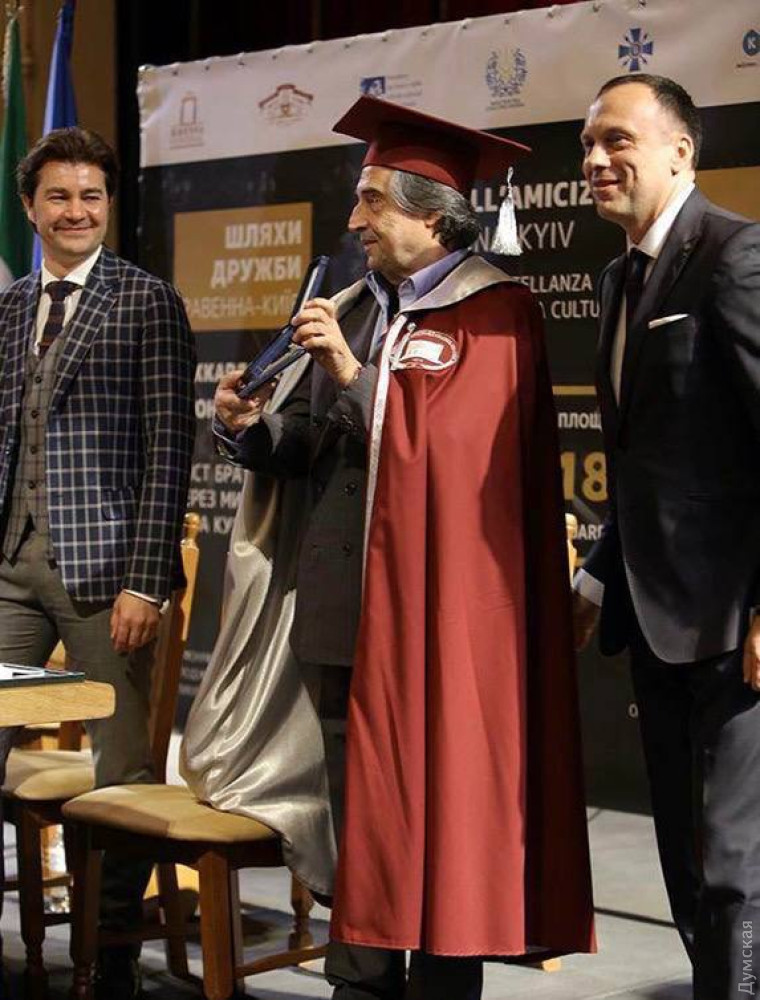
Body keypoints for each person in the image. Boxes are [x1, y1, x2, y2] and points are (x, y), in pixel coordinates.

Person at [212, 95, 594, 1000]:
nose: (355, 220)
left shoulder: (495, 314)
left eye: (372, 201)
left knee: (448, 818)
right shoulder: (352, 307)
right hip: (345, 611)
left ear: (432, 215)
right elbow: (316, 448)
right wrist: (250, 429)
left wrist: (355, 374)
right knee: (361, 831)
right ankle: (359, 984)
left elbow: (463, 463)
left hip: (445, 622)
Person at [574, 74, 760, 1000]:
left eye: (618, 140)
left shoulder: (735, 254)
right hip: (655, 623)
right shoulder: (618, 278)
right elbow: (644, 462)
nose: (596, 160)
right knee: (686, 864)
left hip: (734, 623)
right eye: (587, 145)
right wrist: (596, 580)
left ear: (681, 150)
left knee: (735, 870)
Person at [0, 127, 196, 998]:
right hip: (12, 572)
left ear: (109, 204)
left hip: (105, 581)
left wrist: (146, 580)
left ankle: (110, 952)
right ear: (29, 207)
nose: (76, 211)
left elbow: (170, 450)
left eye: (91, 196)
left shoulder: (147, 302)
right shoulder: (11, 307)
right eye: (59, 196)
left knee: (121, 771)